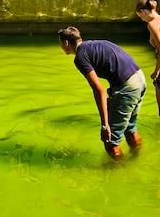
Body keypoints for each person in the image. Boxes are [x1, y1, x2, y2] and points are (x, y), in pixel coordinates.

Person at [58, 26, 146, 159]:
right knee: (130, 129)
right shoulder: (95, 44)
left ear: (66, 43)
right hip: (140, 79)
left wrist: (105, 125)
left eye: (60, 44)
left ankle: (119, 172)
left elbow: (99, 90)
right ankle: (137, 158)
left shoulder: (80, 57)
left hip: (127, 87)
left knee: (110, 141)